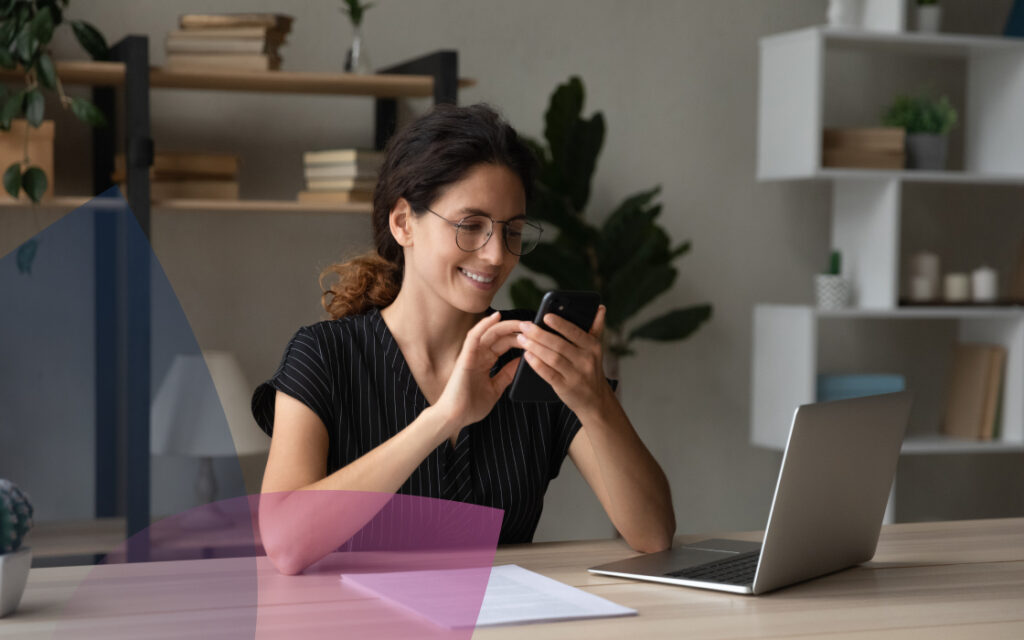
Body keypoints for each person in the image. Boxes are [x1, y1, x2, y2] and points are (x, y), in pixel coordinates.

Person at [252, 103, 674, 575]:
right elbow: (286, 545)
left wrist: (596, 401)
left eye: (512, 231)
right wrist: (445, 418)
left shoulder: (532, 352)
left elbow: (652, 534)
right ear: (403, 223)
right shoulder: (323, 356)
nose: (496, 255)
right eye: (470, 226)